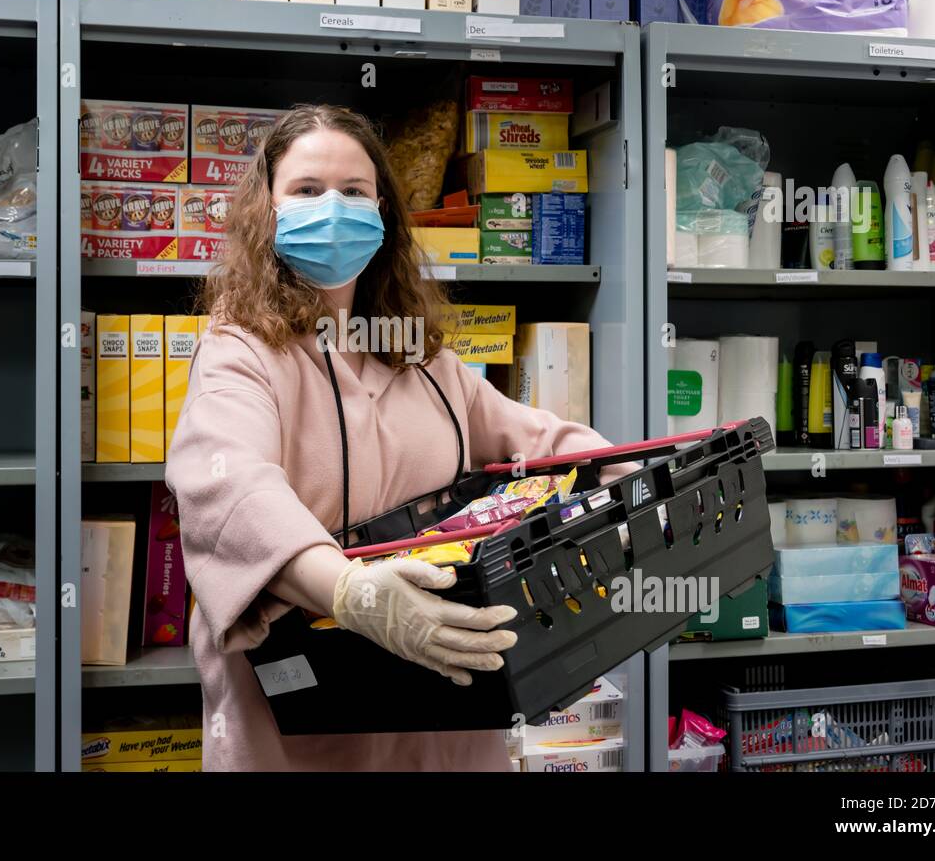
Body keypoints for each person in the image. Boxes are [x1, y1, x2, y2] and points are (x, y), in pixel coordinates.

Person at [166, 104, 634, 771]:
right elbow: (231, 488)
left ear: (382, 212)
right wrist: (351, 595)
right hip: (302, 720)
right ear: (267, 211)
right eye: (306, 191)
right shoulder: (239, 350)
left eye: (353, 192)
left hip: (441, 706)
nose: (333, 208)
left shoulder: (420, 356)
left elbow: (538, 439)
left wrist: (640, 485)